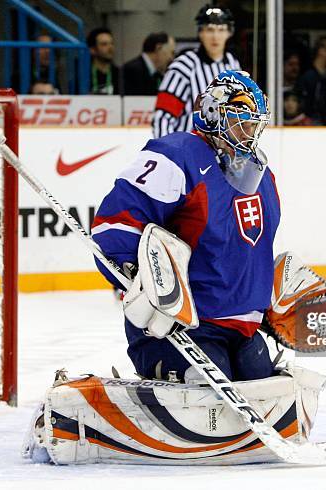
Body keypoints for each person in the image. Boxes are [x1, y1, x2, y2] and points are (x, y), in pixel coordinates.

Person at [92, 70, 277, 382]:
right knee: (210, 386)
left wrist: (267, 307)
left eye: (252, 125)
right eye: (240, 123)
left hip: (242, 327)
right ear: (212, 114)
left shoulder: (260, 174)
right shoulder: (176, 156)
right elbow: (114, 223)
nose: (248, 133)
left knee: (261, 380)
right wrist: (140, 279)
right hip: (182, 325)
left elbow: (249, 250)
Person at [151, 4, 241, 138]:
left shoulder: (232, 64)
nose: (215, 36)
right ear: (201, 32)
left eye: (221, 30)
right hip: (186, 148)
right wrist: (167, 152)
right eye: (210, 30)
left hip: (220, 151)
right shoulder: (183, 66)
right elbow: (162, 117)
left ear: (229, 33)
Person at [87, 27, 119, 95]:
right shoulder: (84, 75)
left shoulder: (119, 74)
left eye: (112, 43)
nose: (110, 48)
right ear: (92, 50)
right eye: (104, 44)